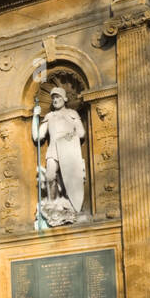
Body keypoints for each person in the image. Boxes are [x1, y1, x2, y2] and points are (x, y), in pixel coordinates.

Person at [33, 82, 86, 214]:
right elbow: (38, 137)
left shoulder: (72, 113)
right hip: (53, 150)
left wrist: (70, 136)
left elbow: (81, 133)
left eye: (58, 97)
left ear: (65, 99)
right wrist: (35, 117)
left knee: (70, 179)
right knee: (50, 176)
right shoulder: (49, 116)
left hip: (69, 149)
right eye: (53, 98)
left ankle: (70, 203)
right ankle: (53, 203)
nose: (55, 100)